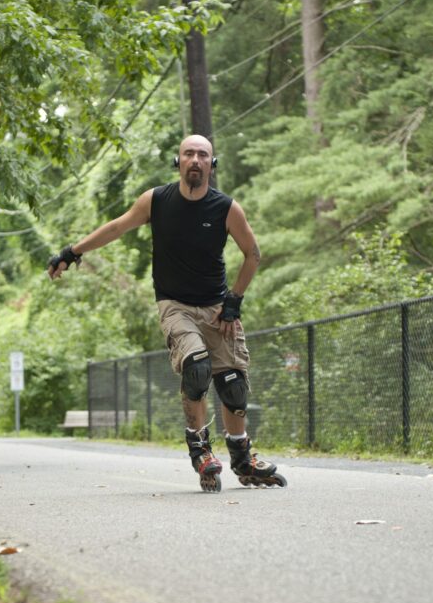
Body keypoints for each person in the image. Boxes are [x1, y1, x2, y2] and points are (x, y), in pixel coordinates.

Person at [47, 134, 285, 491]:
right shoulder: (156, 200)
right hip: (175, 304)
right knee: (196, 367)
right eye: (188, 154)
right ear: (178, 161)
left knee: (233, 384)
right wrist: (72, 252)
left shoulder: (226, 208)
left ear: (211, 164)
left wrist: (234, 300)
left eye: (202, 155)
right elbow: (117, 227)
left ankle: (242, 456)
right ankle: (200, 449)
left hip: (216, 307)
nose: (195, 160)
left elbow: (253, 254)